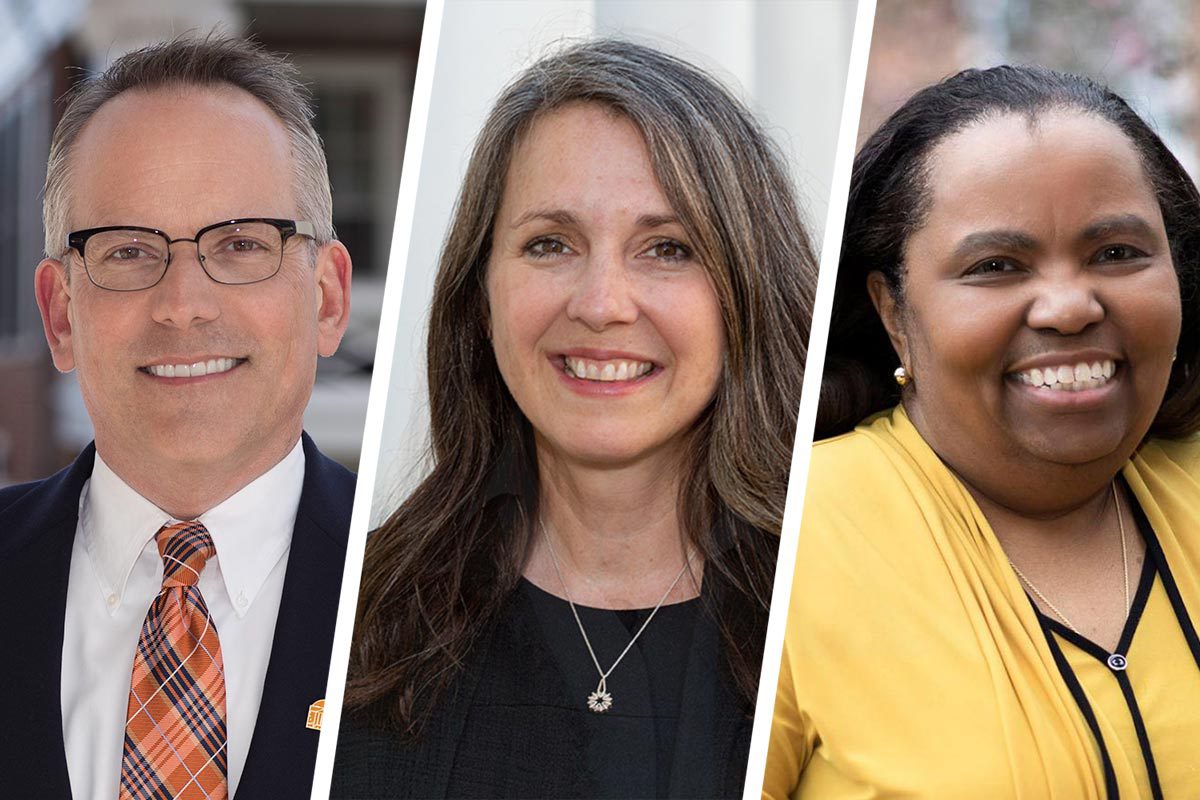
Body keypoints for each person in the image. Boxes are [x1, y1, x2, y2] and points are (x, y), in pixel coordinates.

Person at [332, 39, 814, 799]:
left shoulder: (830, 616)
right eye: (549, 244)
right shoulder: (352, 618)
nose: (600, 304)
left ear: (748, 290)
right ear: (478, 294)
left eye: (668, 248)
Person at [764, 65, 1200, 798]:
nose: (1068, 306)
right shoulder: (792, 532)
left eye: (1117, 254)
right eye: (996, 266)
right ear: (894, 313)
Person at [0, 36, 354, 799]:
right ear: (60, 315)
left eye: (240, 243)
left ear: (327, 298)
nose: (184, 305)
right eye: (128, 251)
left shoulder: (450, 590)